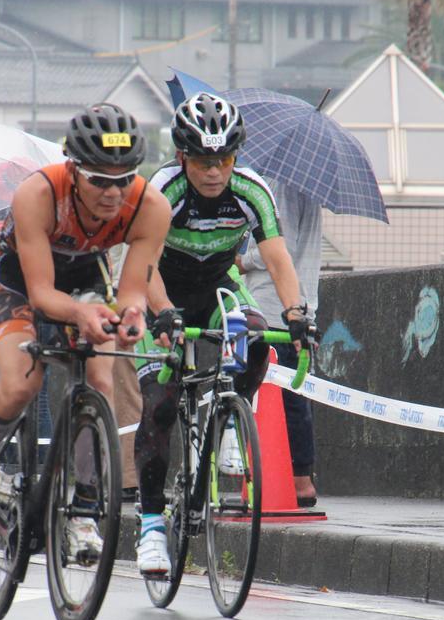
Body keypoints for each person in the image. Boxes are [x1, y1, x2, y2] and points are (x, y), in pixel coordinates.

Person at [0, 103, 169, 565]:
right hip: (19, 274)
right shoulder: (38, 194)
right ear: (73, 169)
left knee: (100, 379)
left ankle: (84, 510)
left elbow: (133, 291)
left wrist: (131, 316)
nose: (113, 193)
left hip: (86, 273)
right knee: (22, 381)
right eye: (99, 179)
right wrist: (80, 314)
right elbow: (40, 292)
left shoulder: (151, 206)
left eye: (124, 178)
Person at [132, 92, 314, 577]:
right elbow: (143, 264)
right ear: (182, 157)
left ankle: (232, 417)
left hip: (215, 288)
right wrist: (165, 312)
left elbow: (277, 259)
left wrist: (296, 314)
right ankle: (151, 527)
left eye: (225, 160)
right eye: (204, 161)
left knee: (257, 339)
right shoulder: (163, 191)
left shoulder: (252, 191)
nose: (215, 171)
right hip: (159, 291)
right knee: (162, 404)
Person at [241, 178, 322, 506]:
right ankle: (298, 478)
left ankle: (298, 481)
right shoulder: (306, 188)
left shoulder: (282, 187)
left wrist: (240, 261)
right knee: (294, 393)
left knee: (284, 395)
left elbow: (273, 247)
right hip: (299, 301)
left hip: (276, 306)